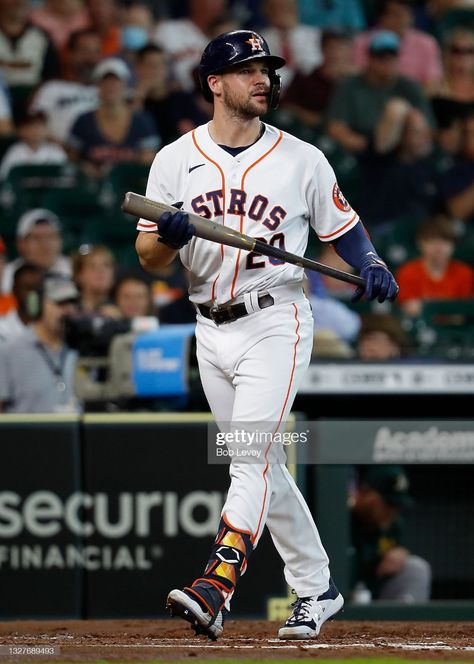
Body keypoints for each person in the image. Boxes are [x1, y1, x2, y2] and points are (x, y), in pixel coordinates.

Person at [135, 29, 399, 640]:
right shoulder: (174, 160)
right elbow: (147, 255)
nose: (263, 78)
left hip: (276, 316)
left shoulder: (301, 157)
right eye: (248, 69)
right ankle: (317, 587)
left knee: (249, 453)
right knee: (258, 464)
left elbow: (346, 227)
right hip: (210, 326)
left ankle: (217, 583)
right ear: (214, 83)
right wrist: (170, 236)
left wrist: (372, 264)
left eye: (266, 68)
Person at [327, 30, 434, 155]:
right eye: (381, 58)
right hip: (363, 151)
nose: (387, 63)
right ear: (370, 58)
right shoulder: (351, 86)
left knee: (399, 108)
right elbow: (336, 128)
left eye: (391, 57)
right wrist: (369, 147)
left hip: (402, 152)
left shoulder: (409, 87)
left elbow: (428, 129)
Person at [350, 465, 432, 603]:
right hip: (337, 600)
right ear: (364, 492)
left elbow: (396, 549)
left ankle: (403, 623)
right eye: (387, 504)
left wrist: (401, 553)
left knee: (416, 568)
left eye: (397, 506)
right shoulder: (341, 520)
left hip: (374, 594)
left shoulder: (393, 524)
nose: (393, 511)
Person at [0, 274, 80, 413]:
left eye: (72, 303)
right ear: (36, 305)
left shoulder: (80, 347)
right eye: (60, 303)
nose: (68, 310)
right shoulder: (9, 351)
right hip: (26, 434)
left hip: (72, 433)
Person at [68, 57, 159, 177]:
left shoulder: (142, 121)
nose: (110, 86)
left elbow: (149, 160)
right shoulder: (83, 121)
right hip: (93, 188)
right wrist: (84, 168)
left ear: (125, 85)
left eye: (116, 82)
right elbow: (71, 158)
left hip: (131, 186)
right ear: (98, 86)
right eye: (105, 82)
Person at [29, 28, 102, 145]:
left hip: (102, 153)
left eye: (96, 52)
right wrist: (66, 148)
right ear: (69, 54)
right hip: (58, 155)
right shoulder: (50, 88)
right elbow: (33, 127)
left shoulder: (108, 90)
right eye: (85, 51)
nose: (91, 58)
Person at [353, 0, 442, 88]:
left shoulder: (427, 44)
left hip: (413, 98)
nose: (402, 20)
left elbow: (432, 83)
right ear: (381, 18)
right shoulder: (362, 42)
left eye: (406, 14)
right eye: (396, 15)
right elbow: (358, 79)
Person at [396, 216, 474, 317]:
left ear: (453, 245)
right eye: (431, 240)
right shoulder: (407, 272)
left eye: (445, 241)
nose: (438, 247)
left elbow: (464, 312)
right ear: (420, 243)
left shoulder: (465, 273)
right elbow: (409, 310)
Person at [1, 209, 71, 294]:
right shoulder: (7, 275)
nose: (45, 244)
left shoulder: (74, 270)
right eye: (37, 237)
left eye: (50, 236)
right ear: (21, 243)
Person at [0, 110, 67, 181]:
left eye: (40, 125)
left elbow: (66, 178)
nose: (36, 130)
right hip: (22, 191)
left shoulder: (55, 150)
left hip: (51, 190)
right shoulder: (15, 151)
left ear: (47, 129)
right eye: (31, 126)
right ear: (21, 130)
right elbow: (4, 178)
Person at [0, 263, 45, 341]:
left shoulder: (53, 328)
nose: (33, 295)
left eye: (38, 289)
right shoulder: (2, 329)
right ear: (15, 290)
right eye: (28, 288)